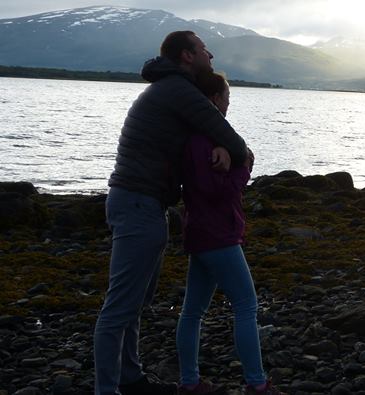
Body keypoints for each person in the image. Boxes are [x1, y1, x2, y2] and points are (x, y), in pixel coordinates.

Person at [94, 31, 249, 395]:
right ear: (186, 56)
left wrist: (220, 147)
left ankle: (131, 380)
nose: (210, 55)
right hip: (138, 203)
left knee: (135, 303)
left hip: (143, 203)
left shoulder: (169, 88)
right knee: (119, 308)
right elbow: (235, 142)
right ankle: (106, 389)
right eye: (203, 50)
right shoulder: (178, 90)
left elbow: (211, 136)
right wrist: (229, 150)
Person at [175, 71, 283, 395]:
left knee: (193, 311)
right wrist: (244, 166)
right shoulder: (201, 142)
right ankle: (257, 384)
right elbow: (216, 192)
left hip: (200, 232)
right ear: (214, 99)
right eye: (227, 98)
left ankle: (190, 382)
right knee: (246, 306)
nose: (228, 104)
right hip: (217, 234)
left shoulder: (202, 138)